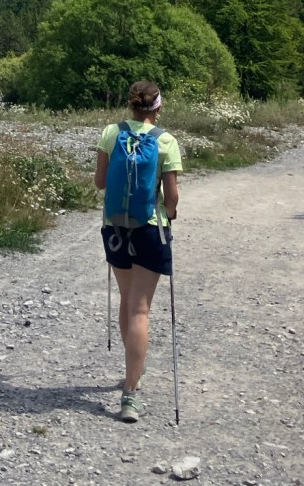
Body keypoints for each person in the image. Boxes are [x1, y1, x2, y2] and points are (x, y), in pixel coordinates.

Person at [94, 80, 182, 423]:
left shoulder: (111, 133)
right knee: (141, 311)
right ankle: (130, 393)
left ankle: (132, 373)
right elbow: (172, 198)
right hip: (150, 228)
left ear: (130, 106)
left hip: (114, 226)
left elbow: (100, 182)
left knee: (127, 301)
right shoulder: (165, 141)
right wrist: (169, 214)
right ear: (157, 108)